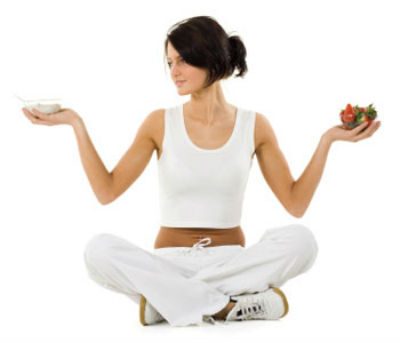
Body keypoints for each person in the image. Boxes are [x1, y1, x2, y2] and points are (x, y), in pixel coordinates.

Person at [22, 15, 381, 328]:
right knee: (97, 251)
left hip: (231, 261)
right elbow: (107, 191)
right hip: (168, 262)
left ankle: (167, 302)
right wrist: (77, 125)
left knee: (303, 241)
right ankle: (226, 306)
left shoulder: (254, 125)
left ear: (209, 58)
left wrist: (326, 142)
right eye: (169, 62)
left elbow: (295, 203)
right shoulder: (159, 122)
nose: (174, 72)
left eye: (182, 61)